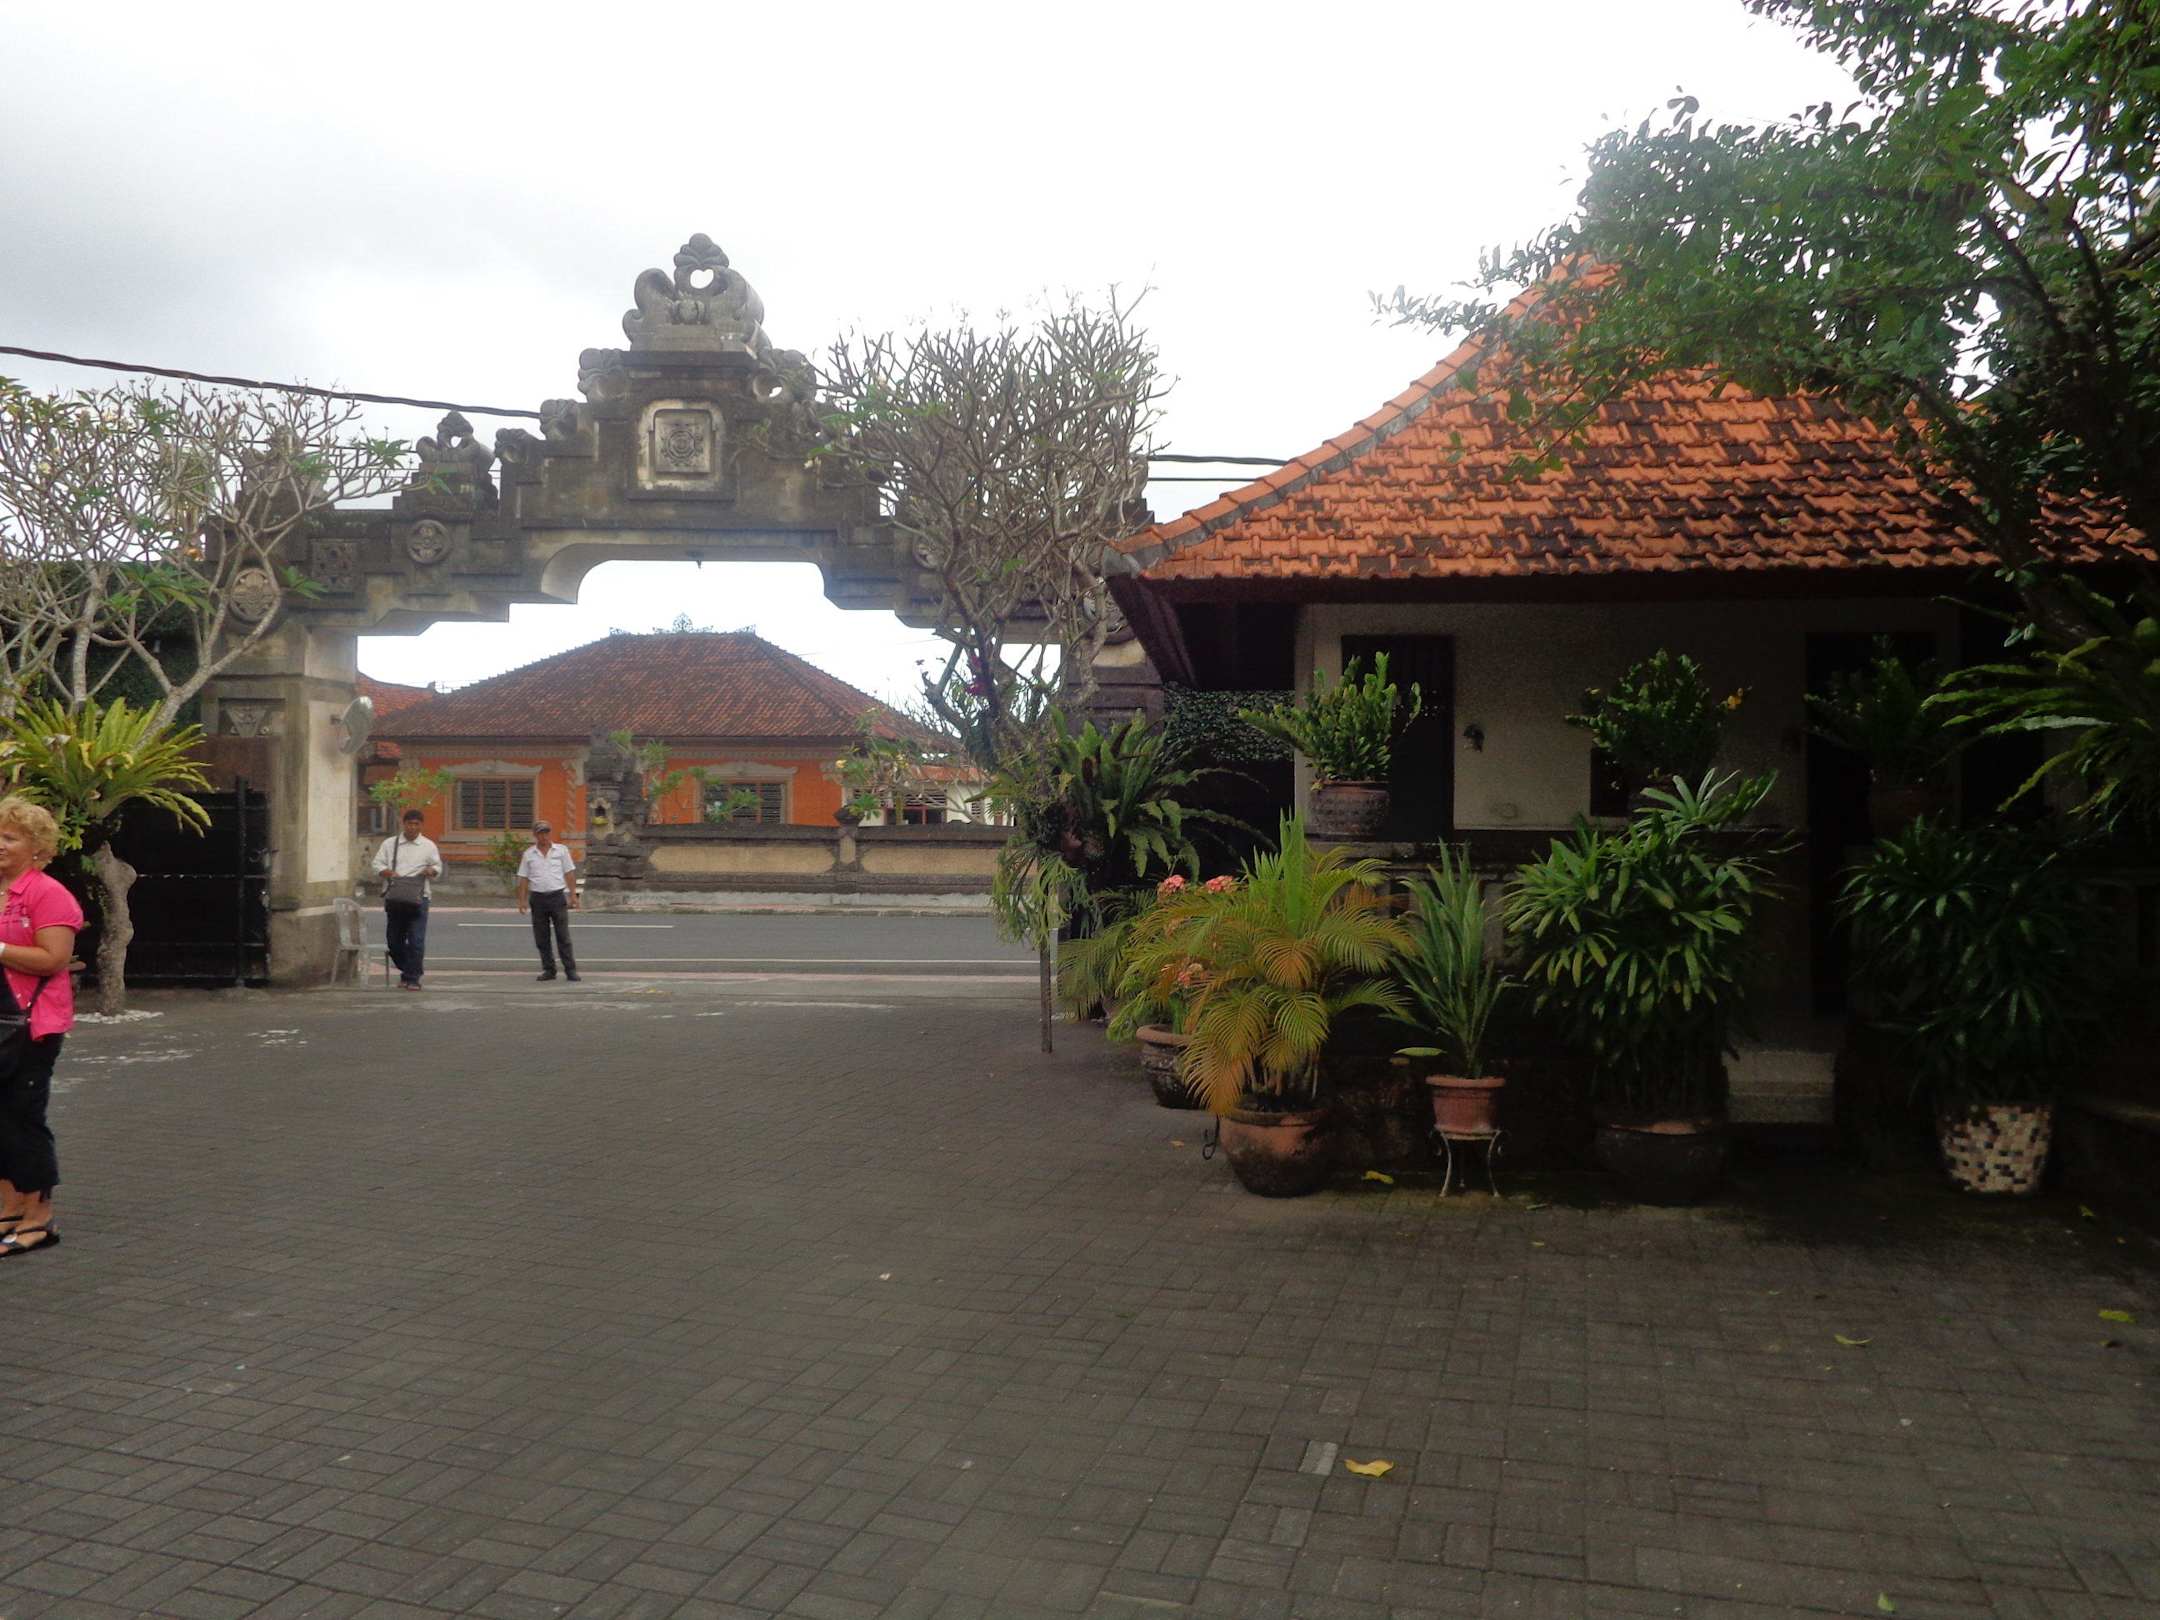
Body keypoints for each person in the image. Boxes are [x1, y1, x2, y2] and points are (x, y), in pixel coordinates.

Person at [0, 796, 85, 1260]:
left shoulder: (48, 894)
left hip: (31, 1025)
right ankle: (9, 1209)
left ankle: (39, 1219)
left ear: (37, 847)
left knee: (23, 1117)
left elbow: (53, 958)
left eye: (10, 837)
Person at [372, 808, 442, 991]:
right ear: (403, 824)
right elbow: (377, 864)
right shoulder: (390, 844)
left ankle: (412, 978)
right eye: (409, 823)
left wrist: (431, 871)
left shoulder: (428, 846)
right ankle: (409, 970)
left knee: (416, 940)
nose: (412, 827)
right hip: (395, 898)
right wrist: (388, 872)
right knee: (394, 941)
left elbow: (437, 867)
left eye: (416, 824)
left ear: (421, 825)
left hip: (419, 898)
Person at [516, 821, 580, 982]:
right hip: (538, 898)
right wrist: (522, 900)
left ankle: (570, 970)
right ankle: (549, 969)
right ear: (535, 835)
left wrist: (573, 895)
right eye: (540, 833)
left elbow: (569, 873)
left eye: (546, 833)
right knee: (542, 937)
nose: (544, 836)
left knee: (563, 936)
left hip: (557, 897)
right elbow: (523, 878)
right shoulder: (529, 854)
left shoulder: (561, 851)